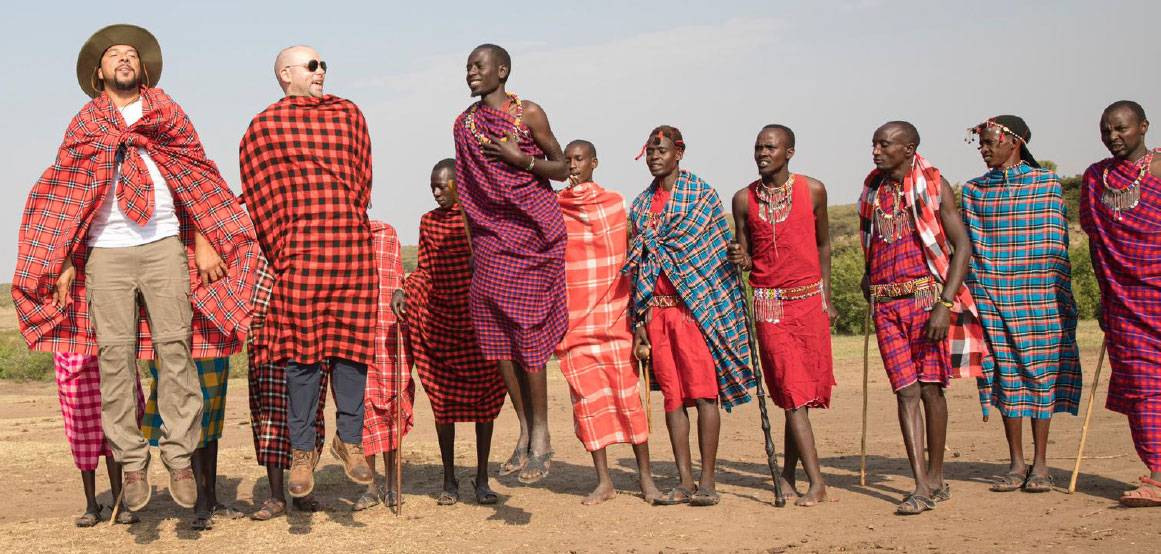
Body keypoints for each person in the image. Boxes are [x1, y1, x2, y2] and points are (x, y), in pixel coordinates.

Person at [13, 24, 264, 516]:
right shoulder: (84, 124)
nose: (125, 60)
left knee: (176, 352)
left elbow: (200, 178)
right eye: (115, 56)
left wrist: (206, 238)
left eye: (132, 55)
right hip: (106, 251)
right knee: (114, 358)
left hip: (164, 245)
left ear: (143, 70)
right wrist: (62, 257)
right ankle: (131, 461)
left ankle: (178, 457)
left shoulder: (169, 116)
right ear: (99, 72)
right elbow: (65, 191)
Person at [240, 45, 376, 501]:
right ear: (285, 74)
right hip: (298, 252)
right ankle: (302, 452)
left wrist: (344, 219)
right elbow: (259, 192)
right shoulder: (264, 126)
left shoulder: (349, 115)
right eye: (312, 65)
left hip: (351, 248)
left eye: (323, 65)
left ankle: (349, 440)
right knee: (302, 354)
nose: (321, 72)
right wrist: (285, 247)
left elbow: (361, 180)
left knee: (352, 348)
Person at [858, 121, 991, 515]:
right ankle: (920, 482)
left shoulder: (934, 185)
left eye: (885, 145)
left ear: (909, 147)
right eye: (874, 144)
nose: (877, 151)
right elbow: (874, 242)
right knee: (905, 391)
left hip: (925, 301)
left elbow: (962, 245)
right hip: (886, 306)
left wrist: (945, 303)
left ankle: (934, 477)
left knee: (931, 389)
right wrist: (870, 276)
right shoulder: (872, 190)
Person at [452, 43, 569, 484]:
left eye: (478, 66)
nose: (470, 74)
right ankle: (523, 428)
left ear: (501, 70)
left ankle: (541, 436)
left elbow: (560, 168)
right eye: (467, 68)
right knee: (496, 336)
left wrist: (525, 161)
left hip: (532, 237)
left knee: (528, 333)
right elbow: (467, 190)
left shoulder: (528, 115)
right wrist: (474, 244)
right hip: (488, 240)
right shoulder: (464, 125)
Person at [626, 125, 753, 507]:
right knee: (672, 399)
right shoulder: (640, 206)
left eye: (661, 150)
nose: (654, 157)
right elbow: (638, 268)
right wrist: (640, 322)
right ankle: (684, 481)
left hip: (695, 311)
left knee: (703, 396)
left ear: (679, 153)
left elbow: (716, 259)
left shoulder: (701, 197)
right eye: (649, 151)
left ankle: (708, 480)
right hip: (658, 313)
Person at [962, 115, 1081, 494]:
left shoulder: (1046, 184)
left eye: (990, 142)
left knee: (1040, 374)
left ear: (1014, 141)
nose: (983, 149)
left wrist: (1050, 288)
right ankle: (1016, 463)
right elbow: (969, 247)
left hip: (1040, 295)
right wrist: (978, 290)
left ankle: (1041, 465)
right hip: (991, 295)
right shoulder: (973, 191)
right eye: (979, 143)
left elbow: (1054, 244)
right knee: (1006, 374)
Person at [727, 125, 836, 507]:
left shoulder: (814, 191)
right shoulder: (744, 199)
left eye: (770, 147)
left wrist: (828, 296)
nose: (762, 153)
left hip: (810, 302)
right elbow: (746, 258)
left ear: (789, 152)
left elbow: (823, 246)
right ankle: (818, 482)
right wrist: (740, 258)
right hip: (769, 305)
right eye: (757, 147)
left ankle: (788, 474)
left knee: (800, 398)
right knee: (791, 393)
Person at [393, 159, 508, 505]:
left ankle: (483, 478)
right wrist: (403, 289)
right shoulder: (428, 222)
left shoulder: (479, 219)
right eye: (433, 187)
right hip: (441, 323)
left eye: (442, 186)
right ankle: (449, 479)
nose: (436, 192)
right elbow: (426, 270)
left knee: (485, 404)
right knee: (443, 404)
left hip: (477, 325)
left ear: (460, 184)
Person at [556, 140, 661, 505]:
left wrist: (640, 321)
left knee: (628, 399)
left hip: (615, 317)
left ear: (594, 163)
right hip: (573, 325)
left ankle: (646, 479)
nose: (572, 165)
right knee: (587, 404)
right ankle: (604, 481)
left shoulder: (615, 205)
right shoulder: (555, 208)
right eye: (567, 160)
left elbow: (633, 259)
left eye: (579, 159)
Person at [1080, 100, 1161, 508]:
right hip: (1124, 300)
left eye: (1121, 129)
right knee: (1143, 389)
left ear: (1143, 127)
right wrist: (1105, 292)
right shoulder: (1097, 177)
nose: (1113, 137)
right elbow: (1096, 239)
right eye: (1106, 130)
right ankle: (1158, 475)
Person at [354, 220, 415, 511]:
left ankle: (392, 484)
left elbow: (397, 279)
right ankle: (369, 486)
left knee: (392, 408)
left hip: (388, 335)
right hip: (353, 336)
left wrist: (400, 297)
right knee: (360, 411)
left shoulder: (386, 234)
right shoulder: (340, 235)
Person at [143, 357, 243, 528]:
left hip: (212, 345)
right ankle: (200, 503)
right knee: (188, 417)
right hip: (178, 348)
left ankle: (211, 500)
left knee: (210, 418)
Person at [53, 353, 143, 526]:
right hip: (75, 373)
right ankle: (91, 507)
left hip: (110, 365)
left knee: (114, 433)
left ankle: (119, 504)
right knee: (83, 438)